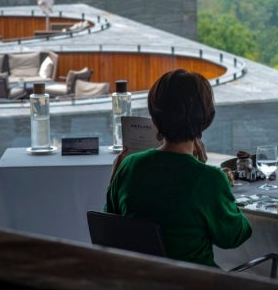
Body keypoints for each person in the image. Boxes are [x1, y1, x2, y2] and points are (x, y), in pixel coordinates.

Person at [105, 68, 252, 267]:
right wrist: (220, 186)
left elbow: (109, 225)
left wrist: (113, 181)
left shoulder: (130, 166)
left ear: (155, 121)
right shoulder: (210, 179)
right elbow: (234, 237)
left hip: (140, 285)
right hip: (195, 289)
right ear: (206, 120)